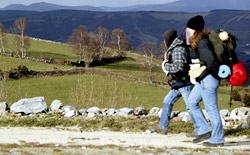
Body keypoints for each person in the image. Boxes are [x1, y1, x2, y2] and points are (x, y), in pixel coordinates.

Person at [186, 15, 224, 147]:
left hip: (208, 80)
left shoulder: (203, 42)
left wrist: (211, 75)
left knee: (211, 109)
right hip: (203, 79)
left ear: (195, 29)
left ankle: (218, 139)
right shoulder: (199, 41)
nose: (188, 30)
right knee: (191, 102)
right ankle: (204, 130)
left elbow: (211, 62)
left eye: (189, 28)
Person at [151, 30, 197, 135]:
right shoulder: (176, 47)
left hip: (184, 83)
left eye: (165, 39)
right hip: (179, 83)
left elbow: (178, 67)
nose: (164, 42)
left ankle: (201, 129)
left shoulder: (177, 49)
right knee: (167, 101)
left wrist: (165, 65)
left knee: (191, 106)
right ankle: (162, 127)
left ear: (169, 39)